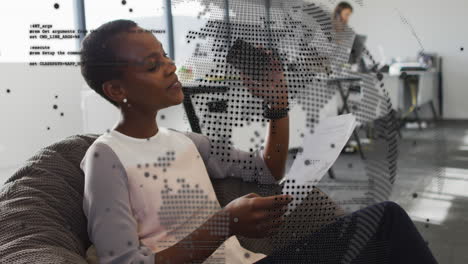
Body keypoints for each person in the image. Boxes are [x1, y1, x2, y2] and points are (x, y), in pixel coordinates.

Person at [79, 19, 437, 264]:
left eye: (166, 55)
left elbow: (268, 170)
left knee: (383, 228)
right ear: (117, 90)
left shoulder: (189, 142)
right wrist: (225, 225)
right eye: (152, 64)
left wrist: (277, 104)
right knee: (387, 222)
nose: (171, 67)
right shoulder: (106, 157)